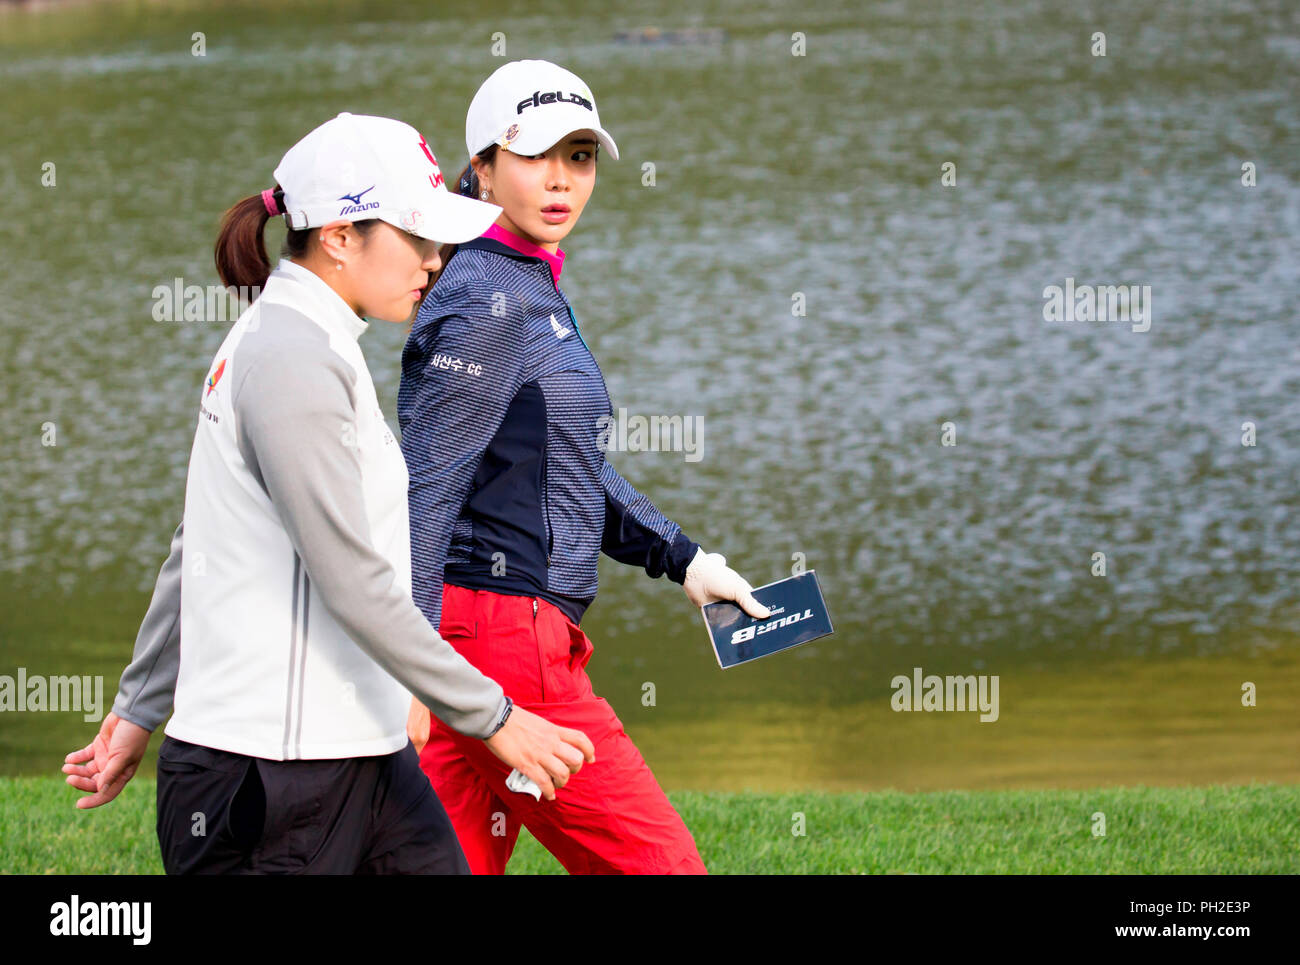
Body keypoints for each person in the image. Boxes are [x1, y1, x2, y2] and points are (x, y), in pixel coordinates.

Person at [62, 111, 595, 875]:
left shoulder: (315, 343)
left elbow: (195, 544)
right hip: (267, 781)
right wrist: (495, 718)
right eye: (417, 239)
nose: (437, 260)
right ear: (341, 236)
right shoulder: (289, 358)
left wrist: (140, 701)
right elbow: (353, 582)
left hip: (355, 758)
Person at [399, 61, 771, 875]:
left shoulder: (515, 278)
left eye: (580, 156)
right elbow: (425, 488)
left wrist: (682, 558)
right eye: (537, 157)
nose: (562, 181)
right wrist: (411, 663)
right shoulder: (488, 299)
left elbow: (551, 465)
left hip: (476, 635)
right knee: (661, 866)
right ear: (485, 166)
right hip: (502, 643)